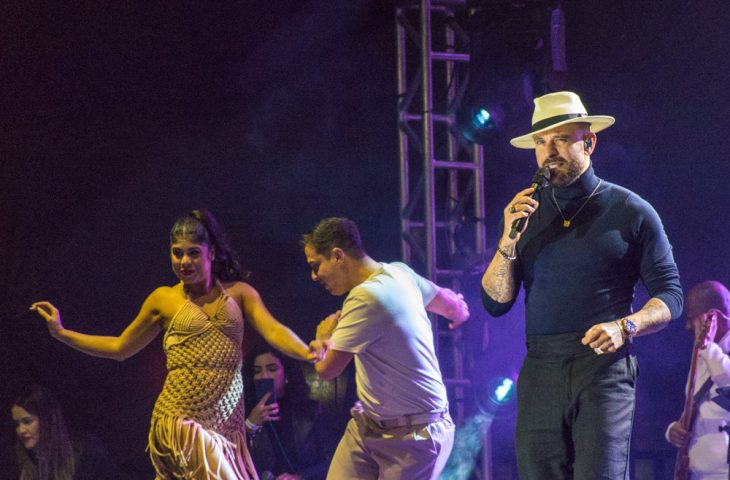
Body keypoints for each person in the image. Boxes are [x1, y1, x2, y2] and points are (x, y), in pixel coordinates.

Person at [30, 209, 326, 480]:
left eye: (193, 253)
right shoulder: (164, 299)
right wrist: (62, 333)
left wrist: (306, 351)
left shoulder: (240, 294)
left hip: (225, 428)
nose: (184, 262)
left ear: (211, 254)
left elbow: (272, 329)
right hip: (180, 422)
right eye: (177, 253)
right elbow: (120, 348)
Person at [480, 91, 683, 479]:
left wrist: (626, 326)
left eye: (560, 139)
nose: (548, 152)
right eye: (540, 142)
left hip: (603, 367)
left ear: (589, 142)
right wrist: (507, 240)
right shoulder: (525, 214)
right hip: (541, 368)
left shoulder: (631, 210)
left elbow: (670, 295)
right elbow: (495, 303)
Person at [302, 217, 469, 480]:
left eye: (316, 266)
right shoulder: (398, 272)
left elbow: (326, 370)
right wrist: (459, 309)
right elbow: (450, 305)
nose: (314, 276)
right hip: (368, 426)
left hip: (415, 438)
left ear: (338, 255)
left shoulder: (365, 297)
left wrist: (323, 335)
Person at [666, 281, 730, 479]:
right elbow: (697, 405)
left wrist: (707, 347)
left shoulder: (709, 351)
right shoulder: (704, 353)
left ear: (711, 316)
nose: (688, 326)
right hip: (697, 473)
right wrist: (673, 430)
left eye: (691, 317)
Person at [244, 343, 332, 480]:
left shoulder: (311, 410)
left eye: (272, 369)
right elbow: (233, 456)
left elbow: (331, 460)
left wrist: (300, 477)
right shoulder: (245, 411)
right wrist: (250, 425)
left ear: (287, 375)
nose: (264, 376)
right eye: (257, 371)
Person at [7, 384, 119, 480]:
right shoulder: (21, 461)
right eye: (17, 424)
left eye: (27, 421)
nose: (21, 430)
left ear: (47, 420)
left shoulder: (85, 452)